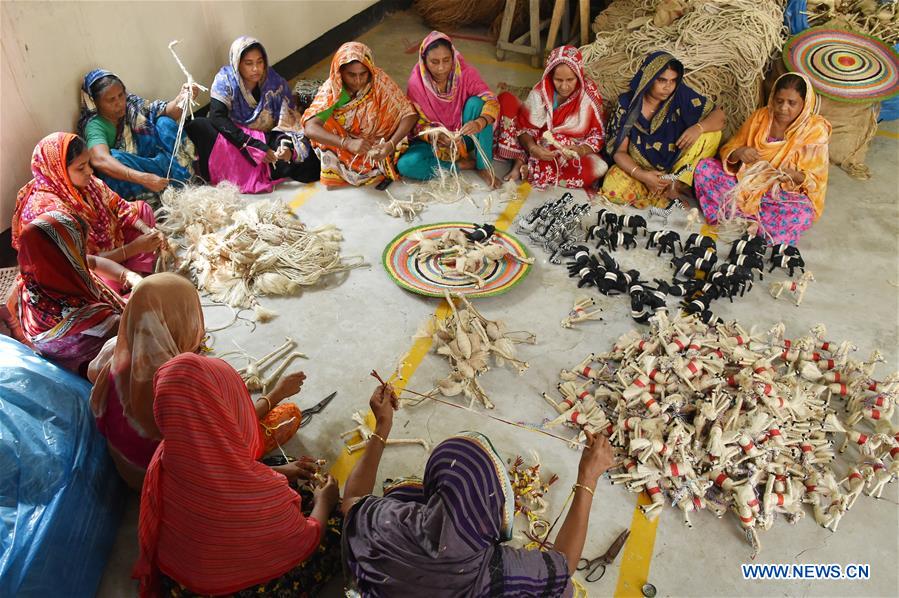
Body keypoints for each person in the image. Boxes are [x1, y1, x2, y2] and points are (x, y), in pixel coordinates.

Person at [341, 383, 615, 596]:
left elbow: (351, 499)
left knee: (401, 492)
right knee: (562, 590)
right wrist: (587, 479)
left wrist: (383, 427)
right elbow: (564, 564)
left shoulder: (385, 521)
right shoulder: (493, 570)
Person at [133, 352, 341, 597]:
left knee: (274, 466)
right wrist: (324, 504)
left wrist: (284, 471)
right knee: (338, 524)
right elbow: (305, 538)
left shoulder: (168, 456)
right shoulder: (261, 500)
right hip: (228, 588)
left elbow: (223, 476)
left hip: (178, 582)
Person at [87, 273, 311, 490]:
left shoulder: (116, 350)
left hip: (128, 467)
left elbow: (93, 373)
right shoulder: (183, 385)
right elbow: (228, 436)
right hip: (166, 484)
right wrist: (276, 394)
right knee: (288, 414)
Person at [12, 132, 164, 293]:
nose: (90, 171)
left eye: (88, 163)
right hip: (85, 266)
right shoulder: (48, 212)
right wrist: (133, 248)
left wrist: (147, 231)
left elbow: (119, 206)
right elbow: (83, 262)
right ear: (59, 170)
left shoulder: (88, 183)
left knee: (142, 210)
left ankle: (136, 276)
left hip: (107, 252)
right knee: (99, 283)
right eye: (81, 167)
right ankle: (127, 282)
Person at [694, 73, 830, 245]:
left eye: (792, 103)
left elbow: (816, 180)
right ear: (772, 98)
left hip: (779, 193)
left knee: (802, 213)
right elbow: (729, 149)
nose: (783, 108)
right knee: (705, 168)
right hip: (748, 182)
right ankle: (746, 219)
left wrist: (794, 176)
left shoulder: (815, 130)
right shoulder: (761, 117)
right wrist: (739, 153)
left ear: (805, 103)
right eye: (779, 101)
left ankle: (745, 219)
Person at [186, 36, 320, 194]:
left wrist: (287, 148)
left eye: (260, 62)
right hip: (232, 136)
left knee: (303, 158)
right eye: (249, 63)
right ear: (237, 63)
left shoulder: (274, 83)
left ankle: (256, 166)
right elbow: (217, 117)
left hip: (264, 137)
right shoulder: (226, 80)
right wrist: (250, 145)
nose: (256, 68)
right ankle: (226, 167)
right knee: (199, 125)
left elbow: (289, 122)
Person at [9, 210, 129, 375]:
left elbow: (91, 262)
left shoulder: (30, 285)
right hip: (100, 372)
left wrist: (129, 276)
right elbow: (133, 328)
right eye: (80, 249)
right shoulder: (86, 314)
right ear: (68, 255)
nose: (82, 255)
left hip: (64, 363)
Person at [602, 51, 726, 208]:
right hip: (638, 168)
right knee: (612, 187)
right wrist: (643, 175)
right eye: (662, 80)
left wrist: (698, 128)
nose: (668, 87)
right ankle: (652, 186)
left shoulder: (679, 94)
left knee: (712, 134)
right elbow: (619, 152)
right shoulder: (628, 104)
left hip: (674, 168)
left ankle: (673, 186)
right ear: (648, 79)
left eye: (673, 81)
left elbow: (720, 117)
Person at [303, 42, 417, 188]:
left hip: (379, 141)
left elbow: (409, 113)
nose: (358, 81)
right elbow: (310, 128)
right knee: (324, 126)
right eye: (351, 75)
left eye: (363, 74)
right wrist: (347, 143)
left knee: (402, 151)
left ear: (370, 70)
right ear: (340, 73)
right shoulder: (333, 90)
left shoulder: (379, 81)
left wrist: (391, 144)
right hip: (347, 142)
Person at [495, 46, 607, 190]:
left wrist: (581, 150)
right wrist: (533, 147)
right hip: (535, 140)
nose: (564, 86)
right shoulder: (540, 91)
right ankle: (523, 159)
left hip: (564, 149)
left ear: (579, 75)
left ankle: (530, 167)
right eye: (558, 80)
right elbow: (523, 128)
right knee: (505, 100)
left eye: (570, 80)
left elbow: (598, 135)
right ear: (550, 75)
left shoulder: (589, 95)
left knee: (598, 167)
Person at [397, 31, 500, 187]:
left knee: (476, 104)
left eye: (446, 60)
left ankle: (483, 166)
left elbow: (492, 101)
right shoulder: (416, 83)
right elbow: (416, 123)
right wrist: (436, 135)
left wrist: (480, 122)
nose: (441, 68)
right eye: (434, 62)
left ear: (453, 56)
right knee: (406, 165)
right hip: (435, 143)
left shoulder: (465, 73)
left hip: (464, 135)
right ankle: (459, 166)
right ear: (424, 61)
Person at [78, 69, 193, 199]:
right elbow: (99, 159)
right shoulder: (95, 125)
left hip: (158, 164)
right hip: (136, 175)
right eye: (111, 100)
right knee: (115, 158)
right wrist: (143, 178)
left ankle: (185, 181)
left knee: (164, 122)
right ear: (95, 103)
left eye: (121, 95)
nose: (119, 103)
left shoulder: (131, 106)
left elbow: (167, 111)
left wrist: (183, 98)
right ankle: (152, 200)